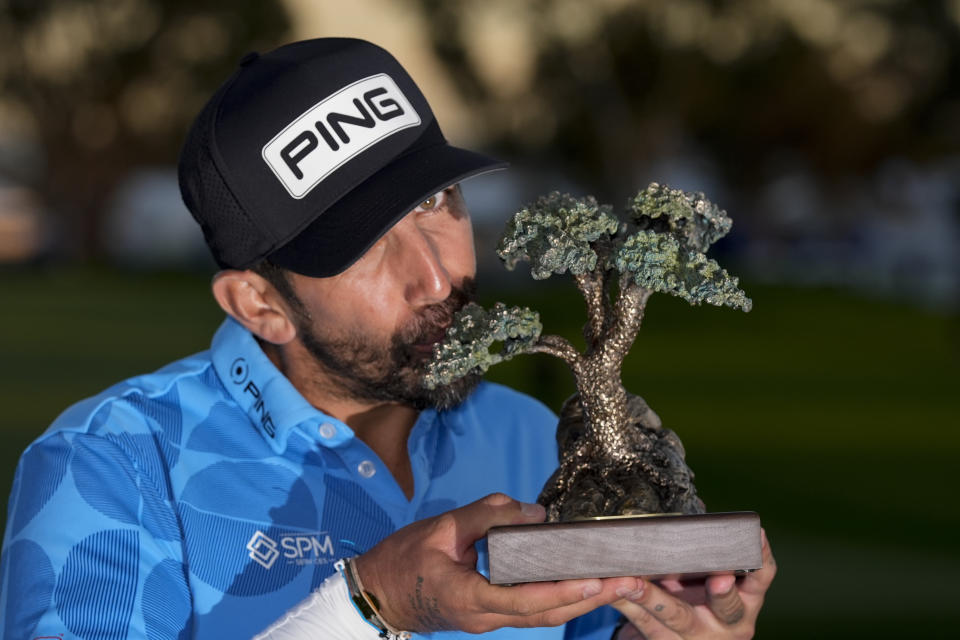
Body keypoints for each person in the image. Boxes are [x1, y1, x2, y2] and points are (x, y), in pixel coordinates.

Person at [0, 38, 775, 640]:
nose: (438, 276)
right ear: (259, 303)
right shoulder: (116, 470)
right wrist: (371, 604)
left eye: (438, 201)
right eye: (364, 244)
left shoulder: (535, 439)